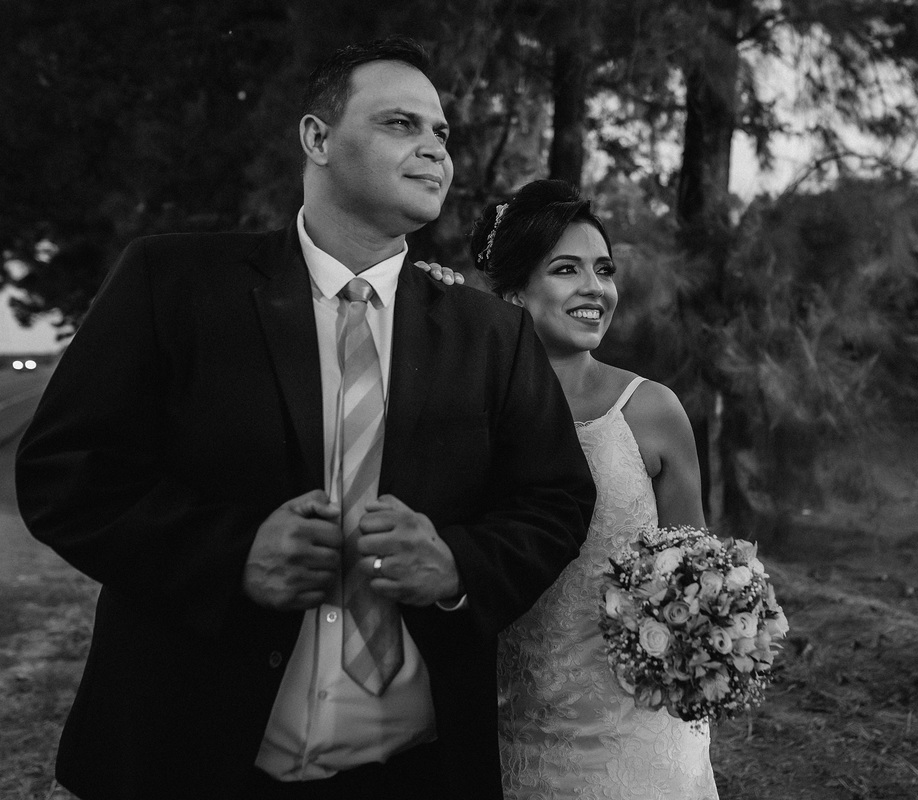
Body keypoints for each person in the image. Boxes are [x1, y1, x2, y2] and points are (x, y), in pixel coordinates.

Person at [15, 37, 594, 800]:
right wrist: (232, 556)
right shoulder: (172, 284)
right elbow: (66, 473)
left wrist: (459, 565)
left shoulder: (493, 335)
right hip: (189, 759)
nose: (434, 149)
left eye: (442, 133)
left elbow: (556, 500)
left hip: (416, 772)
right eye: (400, 123)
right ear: (318, 138)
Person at [467, 179, 720, 798]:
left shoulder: (652, 411)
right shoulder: (468, 410)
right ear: (513, 293)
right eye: (566, 269)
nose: (595, 288)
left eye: (603, 270)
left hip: (637, 738)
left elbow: (700, 576)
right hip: (505, 728)